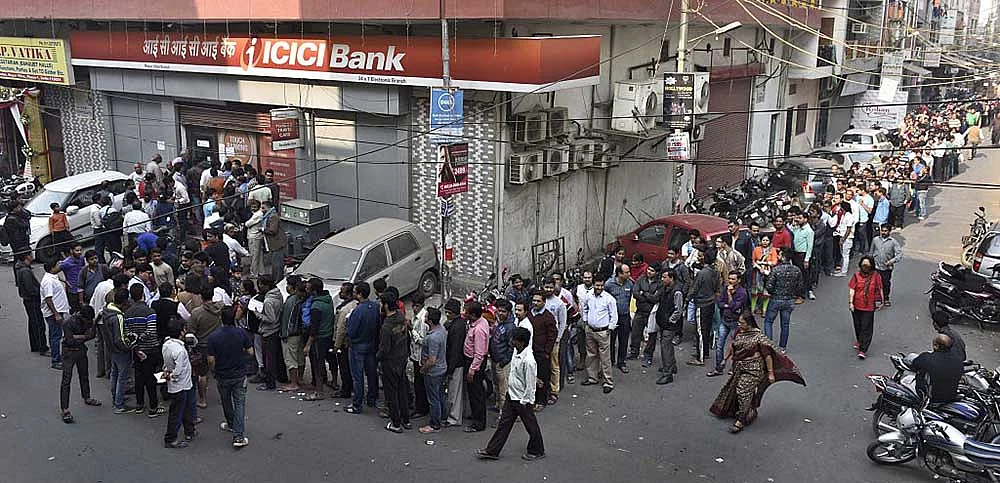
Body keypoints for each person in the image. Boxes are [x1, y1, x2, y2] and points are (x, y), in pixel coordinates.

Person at [710, 312, 805, 433]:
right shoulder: (739, 332)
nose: (739, 324)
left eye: (742, 323)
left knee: (743, 390)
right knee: (737, 390)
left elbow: (768, 356)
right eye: (739, 322)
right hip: (739, 367)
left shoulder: (758, 337)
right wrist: (725, 359)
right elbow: (732, 345)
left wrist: (771, 373)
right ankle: (747, 411)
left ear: (749, 324)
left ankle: (740, 420)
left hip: (754, 369)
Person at [476, 327, 545, 461]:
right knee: (504, 424)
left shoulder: (529, 360)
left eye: (514, 339)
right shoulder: (516, 351)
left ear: (521, 342)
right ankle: (492, 450)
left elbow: (530, 386)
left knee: (531, 425)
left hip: (522, 399)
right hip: (512, 395)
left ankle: (537, 450)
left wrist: (526, 401)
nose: (511, 341)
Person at [206, 306, 252, 448]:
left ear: (221, 318)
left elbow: (211, 360)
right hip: (239, 373)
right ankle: (238, 436)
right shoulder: (241, 333)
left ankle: (231, 424)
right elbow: (251, 352)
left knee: (225, 400)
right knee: (239, 403)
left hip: (222, 374)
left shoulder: (213, 337)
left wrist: (214, 371)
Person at [124, 283, 163, 417]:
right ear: (143, 295)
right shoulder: (150, 312)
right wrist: (141, 338)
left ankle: (139, 404)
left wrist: (136, 345)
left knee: (139, 378)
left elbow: (127, 333)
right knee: (151, 378)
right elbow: (151, 331)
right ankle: (153, 407)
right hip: (150, 349)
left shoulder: (127, 314)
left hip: (136, 351)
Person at [59, 305, 102, 423]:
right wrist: (84, 337)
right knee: (66, 380)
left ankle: (87, 396)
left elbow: (92, 335)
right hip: (69, 352)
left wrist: (78, 336)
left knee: (84, 375)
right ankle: (65, 408)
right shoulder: (68, 323)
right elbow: (70, 340)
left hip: (80, 350)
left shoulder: (86, 321)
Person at [377, 291, 411, 433]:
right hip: (401, 358)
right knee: (402, 390)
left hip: (390, 362)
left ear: (385, 305)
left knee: (391, 394)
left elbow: (384, 349)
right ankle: (405, 419)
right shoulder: (401, 317)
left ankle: (395, 423)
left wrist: (377, 357)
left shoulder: (386, 327)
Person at [186, 285, 224, 408]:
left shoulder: (197, 313)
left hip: (202, 345)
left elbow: (191, 331)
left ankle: (202, 400)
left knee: (202, 374)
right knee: (219, 373)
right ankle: (224, 396)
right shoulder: (221, 307)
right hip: (218, 344)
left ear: (201, 297)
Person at [345, 282, 380, 414]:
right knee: (371, 373)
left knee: (358, 376)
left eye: (355, 292)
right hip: (371, 344)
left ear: (359, 294)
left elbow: (352, 332)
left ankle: (357, 404)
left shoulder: (358, 311)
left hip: (358, 346)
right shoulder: (375, 307)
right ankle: (372, 398)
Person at [162, 319, 196, 448]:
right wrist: (171, 375)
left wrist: (166, 372)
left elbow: (166, 363)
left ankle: (189, 431)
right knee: (177, 412)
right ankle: (170, 438)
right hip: (180, 384)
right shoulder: (180, 351)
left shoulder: (167, 345)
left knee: (185, 408)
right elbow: (178, 371)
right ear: (181, 332)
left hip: (179, 384)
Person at [580, 278, 617, 393]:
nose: (599, 288)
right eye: (597, 285)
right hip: (590, 330)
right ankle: (592, 378)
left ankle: (608, 382)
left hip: (603, 332)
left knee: (605, 358)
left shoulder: (609, 299)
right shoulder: (589, 296)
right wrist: (585, 322)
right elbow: (584, 308)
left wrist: (609, 329)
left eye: (601, 285)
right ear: (593, 285)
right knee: (591, 355)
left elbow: (614, 315)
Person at [709, 272, 749, 377]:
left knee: (735, 346)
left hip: (736, 322)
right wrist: (727, 305)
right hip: (725, 320)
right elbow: (720, 303)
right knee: (719, 345)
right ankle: (719, 368)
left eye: (733, 279)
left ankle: (734, 368)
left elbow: (735, 307)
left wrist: (730, 296)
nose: (730, 281)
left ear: (738, 280)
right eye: (729, 278)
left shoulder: (742, 293)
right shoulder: (725, 288)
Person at [763, 248, 802, 353]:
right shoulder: (796, 270)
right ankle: (782, 347)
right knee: (785, 324)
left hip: (775, 299)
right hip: (789, 300)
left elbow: (769, 286)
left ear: (783, 256)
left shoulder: (776, 270)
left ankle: (769, 346)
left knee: (768, 321)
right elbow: (799, 287)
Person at [102, 288, 134, 414]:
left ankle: (116, 397)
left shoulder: (106, 310)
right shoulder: (118, 317)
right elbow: (120, 338)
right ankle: (119, 404)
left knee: (115, 374)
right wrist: (129, 346)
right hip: (120, 351)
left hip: (111, 348)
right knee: (122, 377)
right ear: (125, 302)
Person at [303, 278, 335, 401]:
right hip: (328, 335)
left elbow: (314, 329)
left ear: (314, 291)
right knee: (326, 360)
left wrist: (307, 345)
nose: (306, 289)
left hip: (319, 338)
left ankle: (319, 391)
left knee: (317, 363)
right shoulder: (328, 299)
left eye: (308, 288)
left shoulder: (316, 306)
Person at [686, 249, 720, 365]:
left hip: (701, 304)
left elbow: (694, 289)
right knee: (706, 329)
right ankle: (704, 352)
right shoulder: (715, 271)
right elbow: (717, 287)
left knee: (700, 330)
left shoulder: (702, 273)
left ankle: (700, 358)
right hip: (710, 302)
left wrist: (687, 300)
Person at [848, 255, 884, 360]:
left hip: (869, 306)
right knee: (858, 325)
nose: (865, 266)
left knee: (866, 327)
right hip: (857, 305)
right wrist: (851, 303)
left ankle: (863, 349)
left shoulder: (876, 276)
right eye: (864, 264)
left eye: (868, 264)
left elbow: (880, 288)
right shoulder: (856, 276)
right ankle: (859, 341)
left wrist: (881, 301)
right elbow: (852, 289)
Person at [463, 301, 491, 432]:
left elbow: (479, 353)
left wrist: (472, 370)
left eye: (467, 313)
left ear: (473, 315)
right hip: (473, 361)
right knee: (474, 392)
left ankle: (478, 423)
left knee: (476, 393)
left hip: (474, 362)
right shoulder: (480, 322)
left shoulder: (479, 329)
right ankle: (476, 415)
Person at [419, 307, 448, 434]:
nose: (424, 318)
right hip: (442, 368)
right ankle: (442, 417)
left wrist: (423, 369)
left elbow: (432, 360)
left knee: (433, 398)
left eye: (426, 317)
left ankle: (435, 424)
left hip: (433, 371)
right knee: (440, 394)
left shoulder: (433, 338)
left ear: (430, 321)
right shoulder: (442, 330)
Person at [526, 292, 557, 411]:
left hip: (541, 352)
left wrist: (547, 351)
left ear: (544, 302)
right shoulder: (529, 314)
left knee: (542, 377)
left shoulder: (548, 316)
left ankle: (541, 401)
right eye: (534, 300)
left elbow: (552, 335)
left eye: (538, 301)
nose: (535, 303)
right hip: (529, 350)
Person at [911, 334, 963, 404]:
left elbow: (914, 365)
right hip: (950, 396)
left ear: (936, 346)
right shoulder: (958, 360)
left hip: (932, 398)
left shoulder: (927, 358)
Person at [653, 269, 684, 385]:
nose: (662, 279)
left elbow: (678, 310)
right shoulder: (666, 289)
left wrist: (670, 321)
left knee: (665, 347)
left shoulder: (677, 292)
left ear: (671, 278)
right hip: (664, 322)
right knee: (668, 345)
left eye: (665, 277)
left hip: (669, 325)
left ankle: (667, 374)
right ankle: (672, 365)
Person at [254, 274, 284, 391]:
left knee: (269, 359)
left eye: (261, 284)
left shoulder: (268, 301)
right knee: (274, 357)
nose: (260, 286)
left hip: (269, 331)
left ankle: (270, 383)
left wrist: (259, 315)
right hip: (276, 330)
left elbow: (270, 319)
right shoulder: (278, 295)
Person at [15, 252, 48, 355]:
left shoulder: (22, 268)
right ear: (27, 257)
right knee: (38, 323)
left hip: (28, 300)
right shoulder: (25, 271)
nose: (32, 256)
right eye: (30, 254)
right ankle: (41, 347)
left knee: (33, 322)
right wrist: (40, 293)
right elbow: (30, 289)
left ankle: (35, 345)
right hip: (32, 300)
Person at [277, 276, 306, 392]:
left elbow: (288, 320)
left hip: (290, 335)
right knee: (300, 358)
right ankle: (300, 379)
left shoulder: (291, 301)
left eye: (288, 285)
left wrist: (284, 334)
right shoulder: (302, 299)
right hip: (299, 333)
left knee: (291, 360)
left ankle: (294, 383)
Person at [443, 298, 468, 427]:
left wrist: (450, 369)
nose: (447, 315)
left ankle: (454, 418)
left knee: (454, 393)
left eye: (448, 312)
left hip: (456, 364)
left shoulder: (457, 328)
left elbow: (455, 350)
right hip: (457, 363)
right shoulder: (457, 323)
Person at [41, 259, 70, 369]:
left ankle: (56, 355)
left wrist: (63, 281)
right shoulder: (48, 281)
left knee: (55, 334)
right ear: (52, 268)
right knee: (56, 336)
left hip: (58, 311)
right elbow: (48, 299)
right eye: (58, 264)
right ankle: (56, 360)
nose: (60, 265)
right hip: (54, 313)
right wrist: (56, 314)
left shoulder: (53, 277)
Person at [604, 264, 633, 372]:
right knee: (610, 340)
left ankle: (622, 362)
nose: (629, 274)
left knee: (624, 340)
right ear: (619, 273)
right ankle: (610, 361)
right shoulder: (609, 284)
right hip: (611, 317)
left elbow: (630, 298)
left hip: (624, 316)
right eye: (627, 272)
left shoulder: (629, 284)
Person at [631, 265, 662, 367]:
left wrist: (644, 293)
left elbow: (656, 298)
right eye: (649, 269)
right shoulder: (641, 279)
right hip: (640, 311)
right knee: (635, 332)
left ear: (656, 272)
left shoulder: (660, 283)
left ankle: (648, 356)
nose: (649, 272)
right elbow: (635, 293)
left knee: (651, 336)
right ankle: (634, 352)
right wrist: (648, 296)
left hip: (651, 313)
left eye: (652, 270)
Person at [489, 300, 516, 412]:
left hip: (502, 363)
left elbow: (511, 347)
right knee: (496, 386)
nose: (500, 313)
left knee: (503, 390)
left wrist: (503, 362)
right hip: (495, 360)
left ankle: (503, 414)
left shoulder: (510, 327)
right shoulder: (500, 323)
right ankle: (497, 406)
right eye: (499, 310)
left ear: (509, 312)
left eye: (503, 311)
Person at [332, 282, 356, 398]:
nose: (340, 293)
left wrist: (336, 345)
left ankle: (346, 390)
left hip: (344, 343)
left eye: (342, 292)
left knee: (344, 367)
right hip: (352, 342)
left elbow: (340, 329)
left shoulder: (344, 310)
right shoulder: (355, 304)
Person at [870, 224, 902, 306]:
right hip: (876, 266)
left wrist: (891, 261)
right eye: (882, 231)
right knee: (874, 283)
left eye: (885, 231)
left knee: (885, 283)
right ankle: (874, 299)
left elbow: (899, 254)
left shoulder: (893, 242)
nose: (883, 232)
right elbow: (871, 252)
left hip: (886, 268)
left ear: (889, 231)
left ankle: (886, 298)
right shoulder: (875, 240)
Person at [749, 235, 778, 315]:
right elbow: (753, 261)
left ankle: (764, 310)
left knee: (766, 293)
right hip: (757, 272)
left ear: (769, 241)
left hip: (768, 272)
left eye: (767, 240)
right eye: (763, 240)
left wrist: (763, 263)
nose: (765, 242)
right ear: (760, 241)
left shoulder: (772, 250)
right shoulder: (756, 249)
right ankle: (753, 309)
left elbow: (774, 262)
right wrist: (759, 267)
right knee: (755, 292)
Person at [61, 242, 86, 314]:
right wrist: (65, 281)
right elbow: (54, 272)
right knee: (75, 311)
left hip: (82, 289)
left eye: (80, 250)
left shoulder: (81, 259)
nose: (79, 252)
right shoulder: (66, 263)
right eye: (77, 250)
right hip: (72, 291)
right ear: (71, 251)